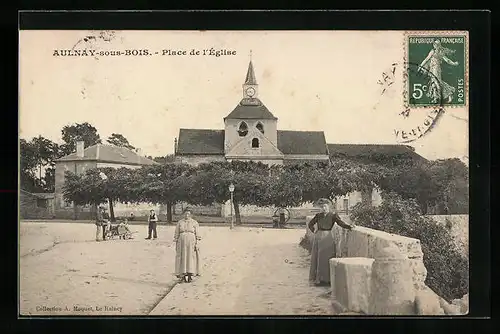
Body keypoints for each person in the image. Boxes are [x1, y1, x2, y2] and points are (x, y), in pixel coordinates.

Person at [308, 198, 355, 286]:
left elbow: (340, 223)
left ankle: (328, 279)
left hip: (328, 237)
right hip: (318, 237)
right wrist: (313, 230)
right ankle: (319, 279)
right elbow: (310, 224)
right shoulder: (318, 215)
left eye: (325, 206)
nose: (324, 208)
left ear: (329, 207)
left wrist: (349, 227)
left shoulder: (333, 215)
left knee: (327, 257)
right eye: (322, 207)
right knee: (318, 258)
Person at [418, 39, 459, 104]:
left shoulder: (440, 52)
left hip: (436, 69)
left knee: (437, 83)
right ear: (433, 45)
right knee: (434, 82)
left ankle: (444, 96)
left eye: (438, 44)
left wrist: (454, 63)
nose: (436, 45)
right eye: (435, 44)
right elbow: (426, 59)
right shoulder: (432, 51)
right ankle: (436, 98)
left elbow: (447, 60)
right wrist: (421, 66)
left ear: (439, 45)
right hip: (432, 69)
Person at [174, 209, 201, 283]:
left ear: (191, 215)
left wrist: (197, 243)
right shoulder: (180, 222)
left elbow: (197, 234)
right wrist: (176, 241)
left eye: (188, 214)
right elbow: (177, 232)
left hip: (191, 242)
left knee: (190, 257)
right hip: (181, 242)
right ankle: (182, 276)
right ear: (183, 214)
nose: (187, 215)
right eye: (185, 214)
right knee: (182, 257)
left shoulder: (194, 223)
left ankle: (190, 275)